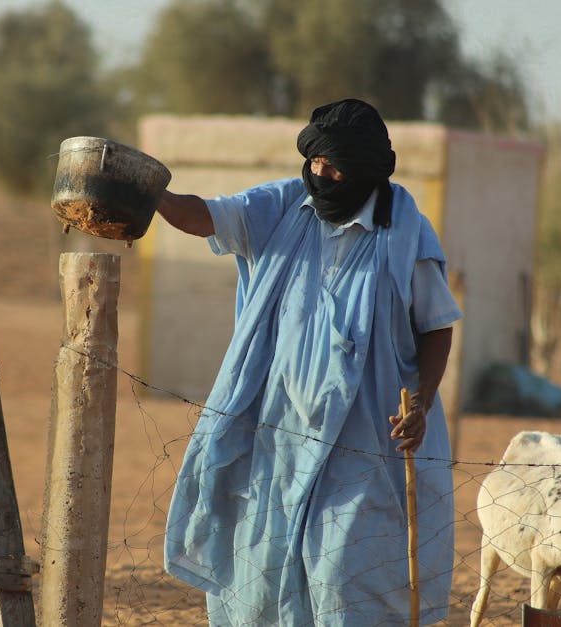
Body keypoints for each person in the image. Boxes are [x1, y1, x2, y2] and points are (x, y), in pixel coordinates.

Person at [158, 98, 461, 625]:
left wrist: (425, 403)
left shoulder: (407, 231)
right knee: (261, 580)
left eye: (334, 167)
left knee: (347, 578)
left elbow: (436, 326)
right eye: (314, 163)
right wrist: (148, 194)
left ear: (365, 171)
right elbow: (201, 214)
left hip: (368, 444)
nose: (320, 175)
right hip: (275, 435)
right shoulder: (279, 207)